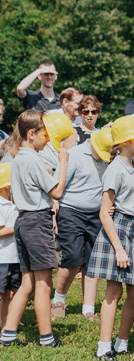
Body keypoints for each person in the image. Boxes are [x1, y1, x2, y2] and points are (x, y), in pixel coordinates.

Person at [1, 110, 69, 348]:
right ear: (31, 134)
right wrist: (63, 164)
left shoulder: (18, 157)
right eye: (45, 135)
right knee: (44, 283)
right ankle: (46, 338)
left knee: (28, 282)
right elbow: (57, 192)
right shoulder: (33, 159)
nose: (48, 140)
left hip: (23, 221)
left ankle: (7, 334)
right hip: (37, 221)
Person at [87, 116, 134, 361]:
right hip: (117, 230)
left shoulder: (133, 165)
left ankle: (122, 342)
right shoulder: (115, 169)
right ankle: (104, 347)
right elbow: (105, 212)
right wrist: (119, 249)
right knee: (113, 293)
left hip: (131, 228)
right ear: (124, 142)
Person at [51, 128, 112, 323]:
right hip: (71, 211)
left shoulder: (108, 156)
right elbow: (59, 185)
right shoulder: (75, 155)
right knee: (73, 257)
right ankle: (58, 300)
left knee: (92, 262)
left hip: (95, 215)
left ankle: (88, 309)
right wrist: (55, 213)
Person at [0, 164, 18, 330]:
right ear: (7, 185)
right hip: (2, 259)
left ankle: (5, 327)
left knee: (9, 294)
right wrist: (18, 227)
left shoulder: (13, 203)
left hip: (14, 258)